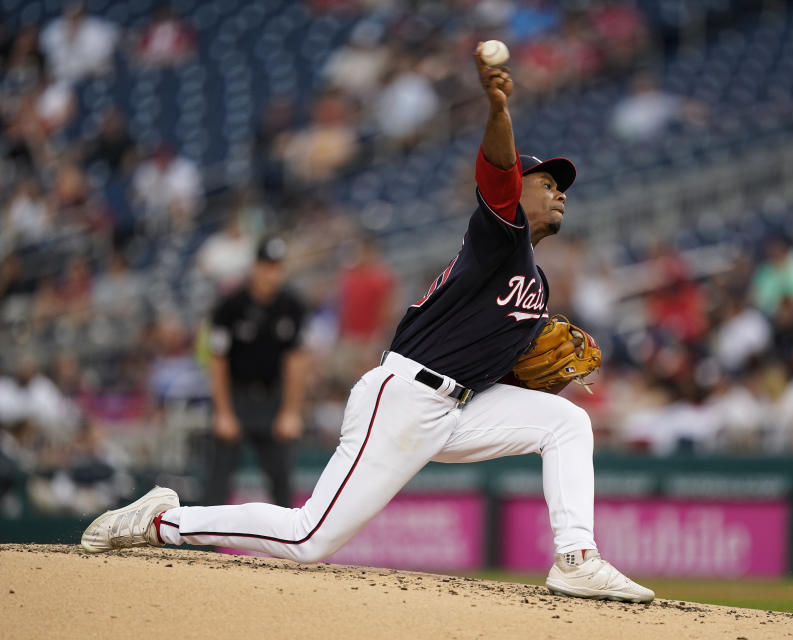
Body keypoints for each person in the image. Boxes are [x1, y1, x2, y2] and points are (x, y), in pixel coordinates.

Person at [80, 45, 655, 604]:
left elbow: (503, 370)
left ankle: (576, 559)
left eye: (562, 188)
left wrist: (543, 382)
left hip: (459, 407)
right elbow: (499, 169)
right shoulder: (500, 235)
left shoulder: (537, 282)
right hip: (405, 396)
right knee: (309, 538)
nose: (558, 193)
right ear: (516, 193)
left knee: (565, 424)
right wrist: (499, 110)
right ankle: (163, 520)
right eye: (547, 182)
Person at [201, 235, 308, 508]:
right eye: (267, 266)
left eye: (278, 267)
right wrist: (223, 412)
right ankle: (206, 548)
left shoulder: (292, 307)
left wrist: (291, 411)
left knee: (282, 482)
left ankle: (286, 549)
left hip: (273, 397)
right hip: (237, 396)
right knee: (218, 481)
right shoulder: (230, 307)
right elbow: (218, 361)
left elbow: (295, 361)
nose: (272, 274)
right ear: (255, 267)